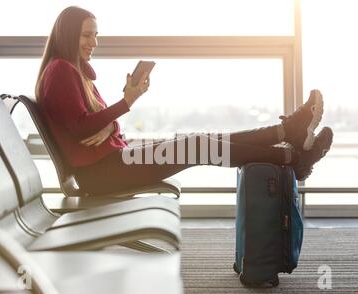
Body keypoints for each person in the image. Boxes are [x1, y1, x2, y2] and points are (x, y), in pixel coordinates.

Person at [35, 6, 333, 195]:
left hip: (115, 161)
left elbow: (96, 127)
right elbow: (82, 130)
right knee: (197, 146)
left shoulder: (75, 74)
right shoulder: (60, 71)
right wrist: (125, 104)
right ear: (69, 35)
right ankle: (294, 159)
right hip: (103, 173)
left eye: (96, 35)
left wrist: (111, 123)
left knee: (197, 140)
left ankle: (286, 134)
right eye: (87, 35)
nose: (93, 43)